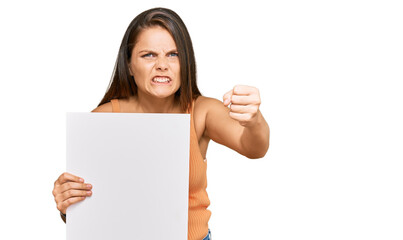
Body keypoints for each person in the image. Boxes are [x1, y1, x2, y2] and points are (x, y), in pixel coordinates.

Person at [51, 7, 269, 240]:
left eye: (173, 54)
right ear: (129, 66)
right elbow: (89, 203)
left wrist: (253, 119)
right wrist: (67, 206)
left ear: (185, 63)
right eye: (149, 55)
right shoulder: (103, 119)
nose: (162, 64)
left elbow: (254, 148)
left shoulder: (202, 111)